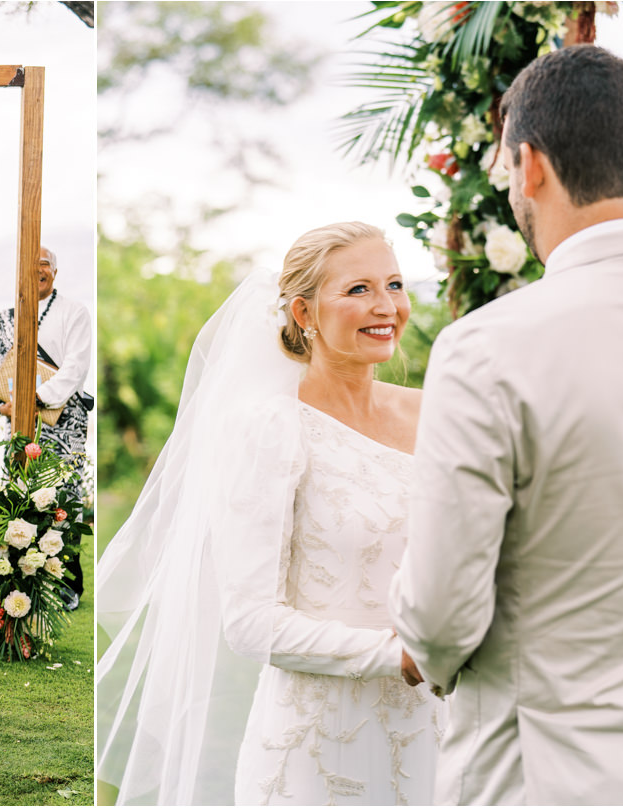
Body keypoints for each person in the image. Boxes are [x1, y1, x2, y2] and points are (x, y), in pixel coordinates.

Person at [389, 45, 623, 805]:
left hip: (545, 773)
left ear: (528, 164)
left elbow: (439, 612)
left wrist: (419, 642)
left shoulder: (487, 348)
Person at [97, 222, 442, 806]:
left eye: (394, 284)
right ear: (304, 312)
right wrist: (397, 656)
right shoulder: (271, 428)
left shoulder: (434, 412)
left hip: (437, 733)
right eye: (358, 289)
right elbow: (251, 622)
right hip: (323, 748)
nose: (386, 306)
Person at [0, 245, 92, 606]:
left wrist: (36, 399)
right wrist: (7, 406)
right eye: (30, 265)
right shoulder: (2, 321)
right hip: (18, 419)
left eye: (44, 264)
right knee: (19, 495)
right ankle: (18, 579)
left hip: (63, 418)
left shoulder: (74, 312)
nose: (38, 270)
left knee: (64, 498)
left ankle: (68, 584)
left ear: (55, 272)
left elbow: (76, 369)